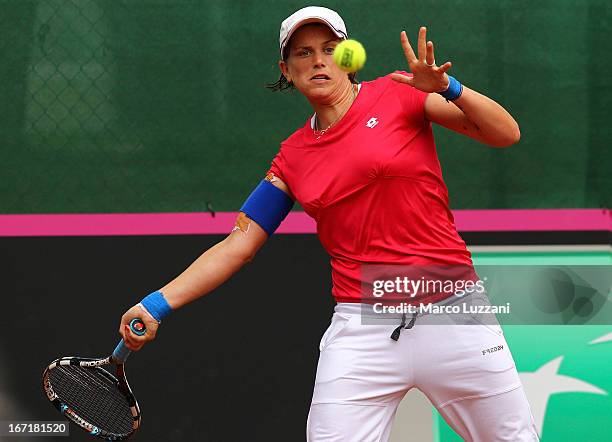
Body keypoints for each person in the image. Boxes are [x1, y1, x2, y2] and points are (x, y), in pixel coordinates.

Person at [119, 6, 539, 441]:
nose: (318, 61)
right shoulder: (292, 158)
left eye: (329, 49)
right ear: (287, 68)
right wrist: (157, 303)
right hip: (362, 328)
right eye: (303, 52)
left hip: (454, 312)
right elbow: (237, 244)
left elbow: (505, 133)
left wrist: (450, 87)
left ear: (347, 58)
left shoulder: (401, 94)